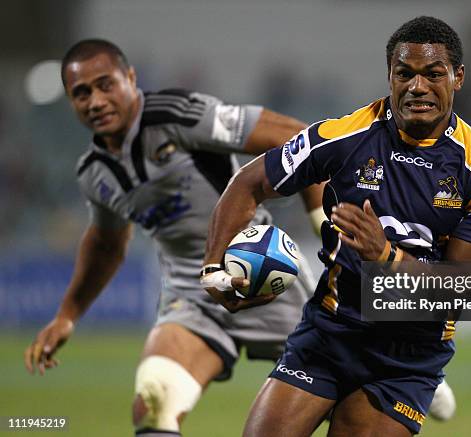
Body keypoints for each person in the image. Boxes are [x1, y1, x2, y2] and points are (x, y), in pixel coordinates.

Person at [201, 16, 471, 436]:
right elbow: (249, 182)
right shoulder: (344, 135)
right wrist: (212, 269)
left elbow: (463, 290)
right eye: (405, 74)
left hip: (408, 356)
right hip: (330, 332)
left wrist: (387, 257)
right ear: (390, 76)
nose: (417, 87)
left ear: (457, 77)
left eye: (433, 74)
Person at [23, 39, 326, 437]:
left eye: (105, 85)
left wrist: (325, 226)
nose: (95, 101)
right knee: (153, 405)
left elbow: (297, 138)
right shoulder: (94, 172)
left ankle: (429, 390)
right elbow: (107, 244)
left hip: (260, 273)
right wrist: (67, 315)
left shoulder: (180, 115)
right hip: (190, 294)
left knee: (353, 389)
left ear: (131, 79)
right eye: (82, 93)